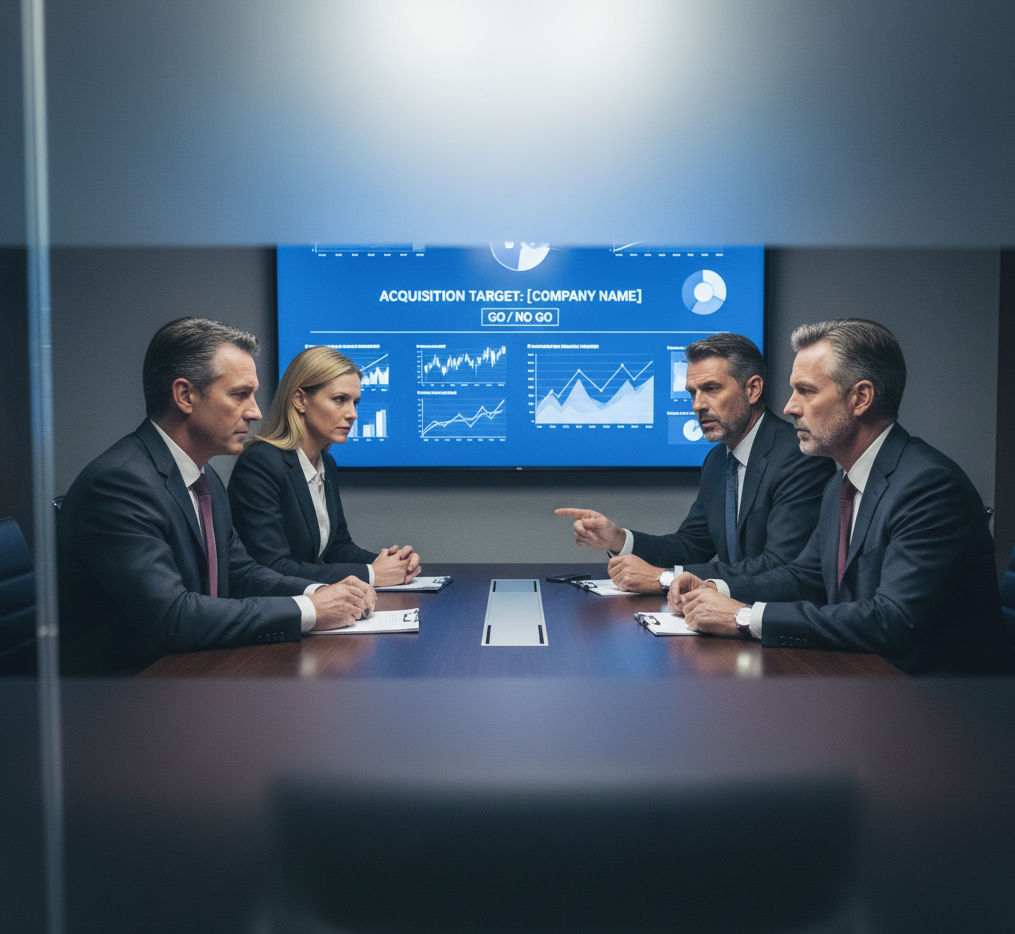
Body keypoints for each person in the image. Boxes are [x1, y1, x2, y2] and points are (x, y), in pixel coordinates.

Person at [671, 318, 1010, 675]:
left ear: (860, 398)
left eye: (806, 390)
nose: (788, 407)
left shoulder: (929, 487)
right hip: (868, 683)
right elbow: (805, 577)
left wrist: (743, 617)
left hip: (948, 708)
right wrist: (716, 587)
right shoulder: (842, 483)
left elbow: (890, 621)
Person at [58, 318, 376, 675]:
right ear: (185, 396)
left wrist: (320, 592)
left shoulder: (202, 476)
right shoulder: (119, 484)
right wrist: (311, 611)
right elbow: (173, 616)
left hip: (190, 673)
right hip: (120, 700)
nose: (256, 412)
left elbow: (240, 573)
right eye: (240, 394)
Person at [555, 333, 835, 592]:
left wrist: (663, 579)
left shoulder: (800, 456)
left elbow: (779, 565)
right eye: (692, 392)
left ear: (753, 389)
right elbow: (691, 545)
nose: (698, 405)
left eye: (711, 389)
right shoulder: (717, 460)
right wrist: (619, 539)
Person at [228, 346, 421, 586]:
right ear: (300, 400)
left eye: (355, 402)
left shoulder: (326, 463)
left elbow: (337, 548)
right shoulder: (260, 464)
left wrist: (393, 564)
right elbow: (272, 568)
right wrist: (372, 575)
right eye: (340, 399)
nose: (352, 414)